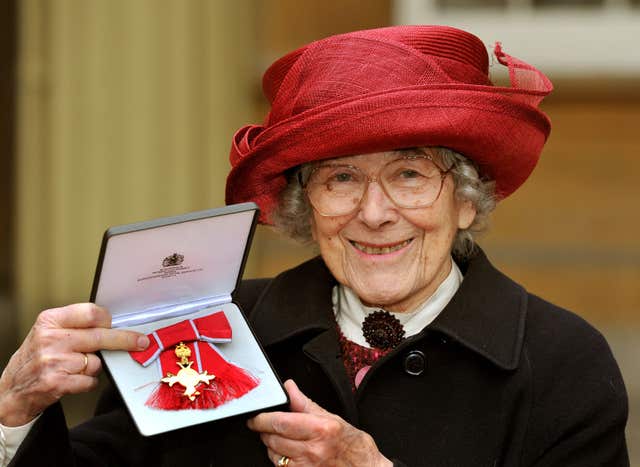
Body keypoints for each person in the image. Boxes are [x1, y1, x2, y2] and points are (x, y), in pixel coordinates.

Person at [0, 25, 629, 467]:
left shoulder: (561, 364)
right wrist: (14, 413)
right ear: (307, 211)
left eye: (410, 174)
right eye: (342, 179)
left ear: (465, 202)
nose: (374, 213)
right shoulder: (206, 328)